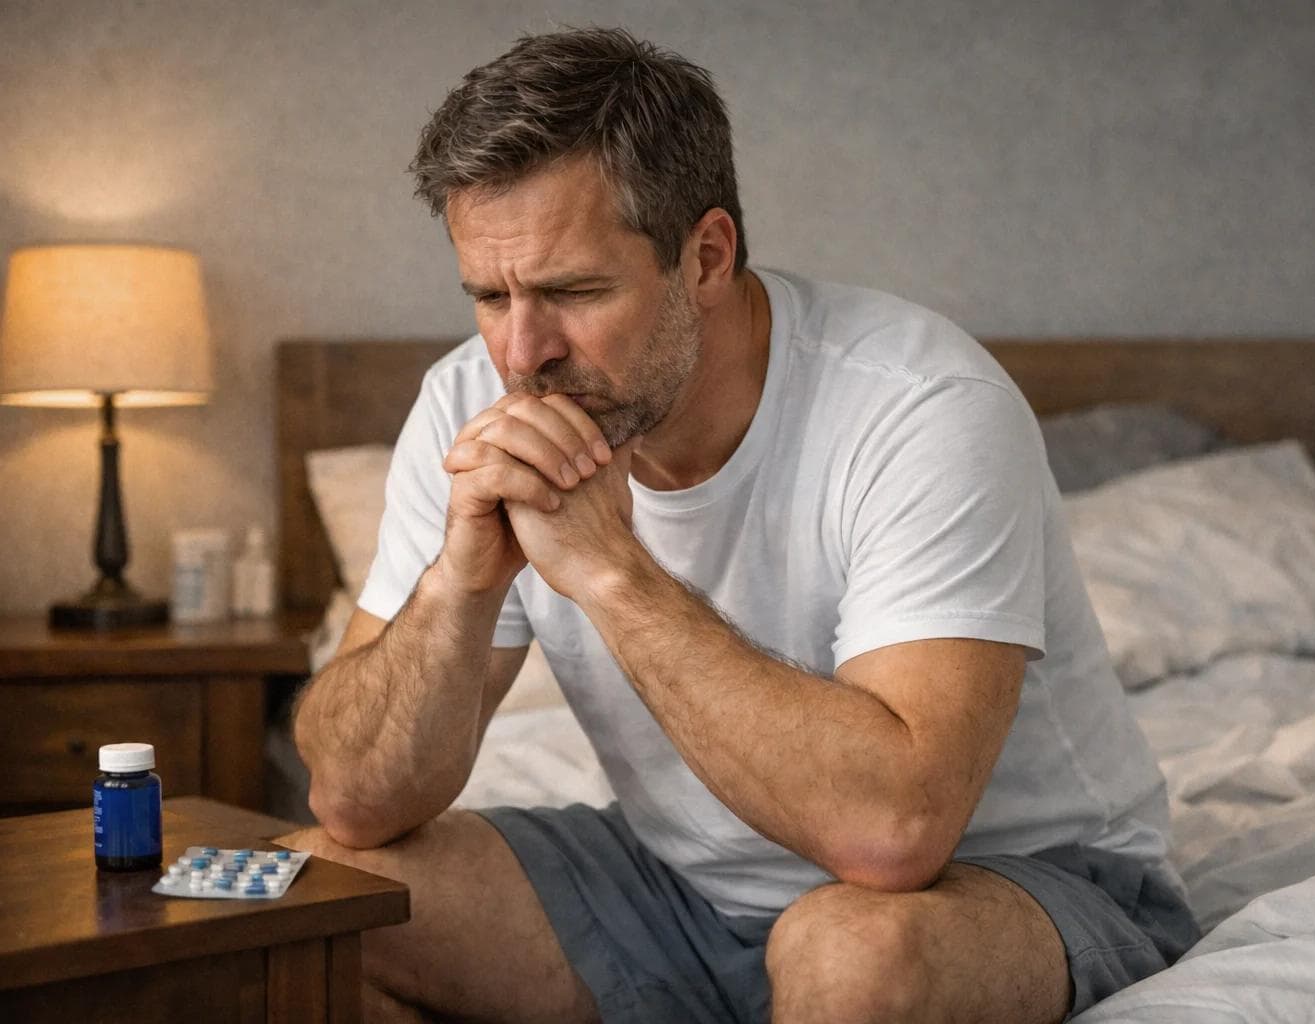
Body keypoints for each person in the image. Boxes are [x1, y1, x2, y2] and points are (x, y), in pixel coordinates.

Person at [285, 26, 1199, 1024]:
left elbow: (895, 830)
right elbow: (354, 799)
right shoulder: (471, 401)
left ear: (706, 256)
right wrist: (458, 584)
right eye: (488, 296)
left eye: (573, 292)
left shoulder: (920, 405)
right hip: (678, 890)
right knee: (308, 898)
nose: (521, 352)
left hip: (1006, 886)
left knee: (849, 957)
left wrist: (611, 573)